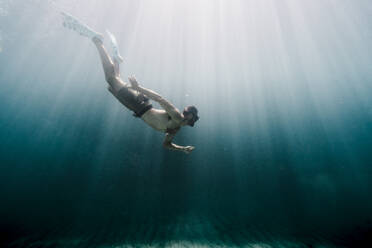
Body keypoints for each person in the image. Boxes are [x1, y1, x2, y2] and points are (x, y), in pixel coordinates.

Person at [61, 12, 199, 154]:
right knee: (111, 79)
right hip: (139, 104)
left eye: (193, 118)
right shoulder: (176, 116)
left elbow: (166, 144)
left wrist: (183, 149)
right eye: (193, 116)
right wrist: (138, 87)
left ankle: (116, 59)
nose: (192, 120)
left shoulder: (175, 128)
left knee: (113, 82)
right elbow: (159, 98)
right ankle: (97, 40)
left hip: (136, 108)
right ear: (189, 115)